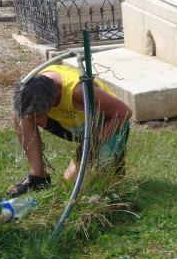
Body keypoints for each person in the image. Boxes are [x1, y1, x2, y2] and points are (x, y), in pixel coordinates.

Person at [8, 64, 132, 196]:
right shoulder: (33, 85)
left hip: (105, 126)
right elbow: (26, 110)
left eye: (38, 115)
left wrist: (92, 144)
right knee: (20, 114)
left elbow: (124, 112)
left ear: (54, 97)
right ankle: (38, 177)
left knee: (67, 189)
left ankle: (111, 182)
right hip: (72, 125)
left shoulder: (78, 91)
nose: (34, 118)